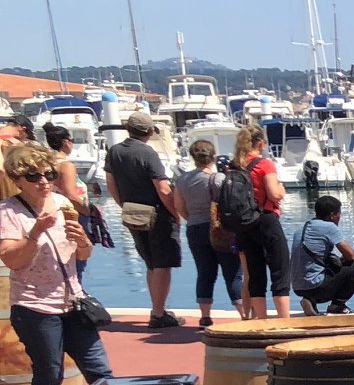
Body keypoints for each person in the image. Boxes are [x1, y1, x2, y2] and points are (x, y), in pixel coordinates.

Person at [1, 143, 111, 385]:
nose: (44, 181)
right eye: (34, 176)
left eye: (48, 174)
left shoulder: (63, 203)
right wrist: (35, 232)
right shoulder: (8, 212)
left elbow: (83, 255)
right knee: (49, 374)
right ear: (18, 179)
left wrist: (83, 242)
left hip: (73, 303)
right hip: (34, 308)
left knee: (101, 372)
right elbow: (12, 260)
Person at [103, 114, 184, 328]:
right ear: (149, 132)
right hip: (156, 213)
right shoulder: (148, 154)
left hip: (132, 211)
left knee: (150, 263)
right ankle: (158, 313)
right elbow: (163, 188)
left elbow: (110, 184)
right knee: (163, 264)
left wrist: (124, 205)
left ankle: (157, 308)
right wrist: (175, 213)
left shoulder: (114, 152)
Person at [174, 139, 242, 327]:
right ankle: (243, 314)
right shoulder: (218, 179)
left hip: (195, 228)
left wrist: (193, 218)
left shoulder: (182, 180)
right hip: (220, 229)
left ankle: (205, 315)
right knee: (233, 273)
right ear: (213, 157)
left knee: (204, 272)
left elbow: (180, 207)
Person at [231, 125, 291, 320]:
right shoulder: (264, 164)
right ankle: (284, 321)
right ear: (261, 143)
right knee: (280, 269)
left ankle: (261, 321)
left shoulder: (233, 166)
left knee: (255, 273)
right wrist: (282, 190)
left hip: (244, 223)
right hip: (266, 219)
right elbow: (274, 194)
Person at [289, 193, 354, 312]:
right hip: (316, 287)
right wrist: (341, 261)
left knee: (326, 265)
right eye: (339, 214)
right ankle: (337, 305)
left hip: (297, 288)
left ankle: (310, 301)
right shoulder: (329, 227)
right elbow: (351, 256)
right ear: (332, 215)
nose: (339, 217)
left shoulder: (301, 229)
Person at [39, 124, 88, 210]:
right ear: (66, 142)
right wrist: (90, 212)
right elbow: (71, 196)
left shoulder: (45, 163)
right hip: (73, 212)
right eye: (72, 140)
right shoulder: (66, 166)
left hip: (53, 209)